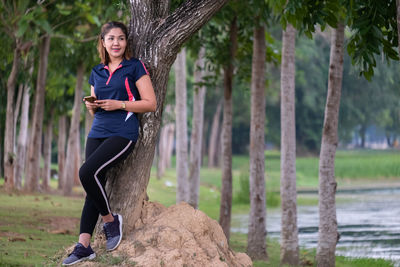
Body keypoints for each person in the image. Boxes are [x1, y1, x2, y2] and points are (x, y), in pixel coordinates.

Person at [62, 21, 156, 266]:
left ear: (126, 43)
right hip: (98, 131)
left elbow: (150, 103)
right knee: (93, 183)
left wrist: (121, 104)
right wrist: (91, 106)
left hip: (123, 132)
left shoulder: (135, 67)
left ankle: (110, 221)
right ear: (102, 42)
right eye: (111, 38)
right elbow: (97, 109)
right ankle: (83, 246)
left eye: (121, 38)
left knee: (86, 172)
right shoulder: (97, 71)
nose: (116, 43)